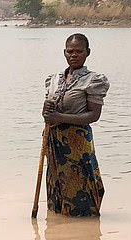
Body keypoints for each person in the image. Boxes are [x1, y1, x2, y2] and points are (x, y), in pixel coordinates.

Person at [42, 33, 109, 217]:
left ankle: (85, 231)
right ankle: (58, 226)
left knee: (81, 185)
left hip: (77, 144)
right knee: (57, 185)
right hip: (54, 142)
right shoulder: (54, 79)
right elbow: (48, 115)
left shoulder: (93, 80)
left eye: (79, 51)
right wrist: (46, 111)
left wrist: (60, 117)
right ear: (64, 53)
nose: (74, 55)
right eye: (70, 51)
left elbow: (93, 115)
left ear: (87, 53)